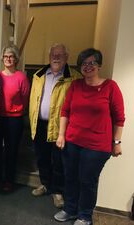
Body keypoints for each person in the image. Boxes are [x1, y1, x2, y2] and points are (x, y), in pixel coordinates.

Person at [54, 48, 125, 225]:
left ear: (99, 65)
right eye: (84, 63)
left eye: (92, 62)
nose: (87, 66)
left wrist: (116, 142)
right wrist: (61, 135)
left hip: (97, 147)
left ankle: (84, 216)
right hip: (72, 142)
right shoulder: (75, 86)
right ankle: (70, 210)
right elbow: (65, 111)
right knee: (70, 177)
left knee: (87, 181)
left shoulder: (110, 87)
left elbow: (119, 118)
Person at [29, 43, 81, 208]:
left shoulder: (74, 78)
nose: (56, 57)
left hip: (60, 128)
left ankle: (57, 191)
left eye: (60, 54)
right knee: (42, 158)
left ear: (67, 58)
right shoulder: (38, 75)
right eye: (53, 54)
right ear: (49, 56)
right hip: (40, 125)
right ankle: (45, 184)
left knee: (58, 161)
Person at [0, 45, 30, 192]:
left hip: (15, 120)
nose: (8, 59)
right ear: (2, 58)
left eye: (11, 56)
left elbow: (25, 99)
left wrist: (17, 110)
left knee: (11, 150)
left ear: (16, 59)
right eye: (6, 56)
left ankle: (8, 180)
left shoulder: (22, 77)